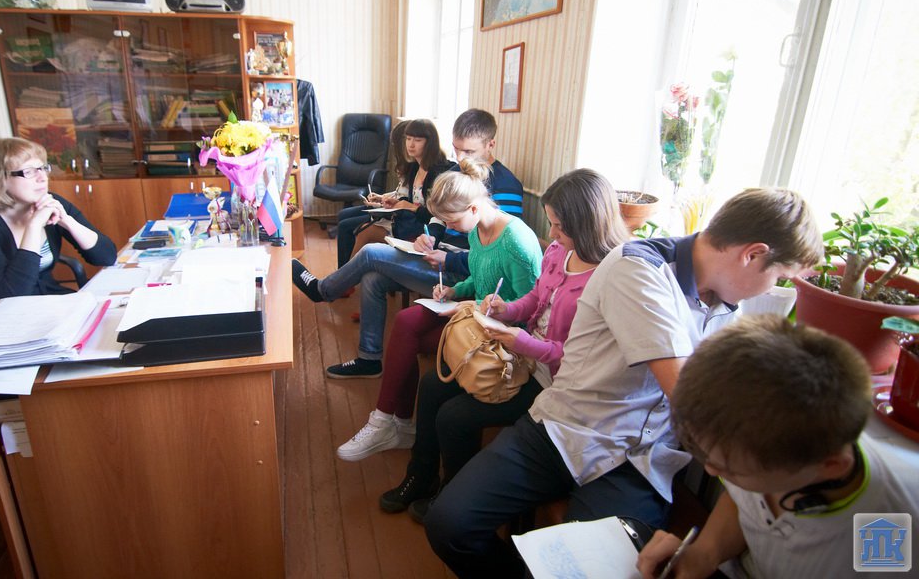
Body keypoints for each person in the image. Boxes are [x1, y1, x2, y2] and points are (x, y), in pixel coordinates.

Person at [424, 187, 825, 579]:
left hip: (638, 461)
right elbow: (687, 394)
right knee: (449, 524)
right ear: (752, 254)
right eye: (780, 277)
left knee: (584, 567)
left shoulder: (725, 304)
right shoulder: (637, 267)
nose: (774, 290)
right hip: (566, 428)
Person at [379, 169, 630, 522]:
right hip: (522, 354)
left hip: (552, 380)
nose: (551, 234)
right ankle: (420, 476)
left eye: (559, 226)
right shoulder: (559, 252)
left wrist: (524, 341)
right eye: (551, 224)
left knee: (455, 416)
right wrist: (507, 310)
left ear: (587, 224)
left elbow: (579, 358)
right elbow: (535, 298)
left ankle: (451, 491)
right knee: (433, 385)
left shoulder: (608, 279)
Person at [637, 315, 919, 579]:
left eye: (732, 471)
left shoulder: (887, 530)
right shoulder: (756, 440)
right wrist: (704, 553)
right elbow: (741, 500)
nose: (710, 470)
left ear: (831, 466)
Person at [334, 158, 543, 462]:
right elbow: (479, 277)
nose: (449, 228)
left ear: (474, 208)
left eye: (452, 222)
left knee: (409, 337)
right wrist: (454, 291)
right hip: (475, 315)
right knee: (406, 321)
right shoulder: (477, 229)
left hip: (502, 332)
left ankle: (395, 425)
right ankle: (388, 421)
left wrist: (475, 306)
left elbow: (531, 310)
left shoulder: (516, 243)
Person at [293, 108, 525, 379]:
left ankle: (322, 290)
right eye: (456, 148)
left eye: (469, 152)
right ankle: (369, 360)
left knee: (370, 252)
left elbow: (495, 254)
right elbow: (440, 216)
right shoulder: (458, 171)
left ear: (490, 144)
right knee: (372, 278)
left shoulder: (506, 186)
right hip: (440, 258)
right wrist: (431, 237)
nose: (460, 158)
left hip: (464, 274)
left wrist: (449, 259)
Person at [0, 137, 116, 300]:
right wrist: (34, 226)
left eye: (42, 168)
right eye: (28, 172)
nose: (42, 178)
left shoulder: (50, 202)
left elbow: (107, 257)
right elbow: (13, 291)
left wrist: (68, 221)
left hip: (45, 301)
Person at [336, 119, 450, 267]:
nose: (411, 144)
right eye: (408, 139)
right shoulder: (415, 167)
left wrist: (409, 206)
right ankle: (346, 276)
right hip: (408, 222)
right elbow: (411, 199)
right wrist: (397, 202)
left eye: (417, 140)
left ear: (430, 143)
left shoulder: (437, 173)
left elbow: (436, 214)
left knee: (364, 232)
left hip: (422, 230)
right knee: (361, 230)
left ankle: (344, 277)